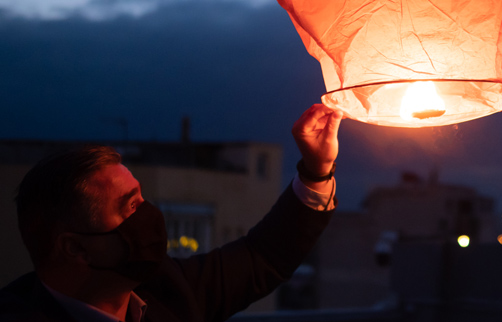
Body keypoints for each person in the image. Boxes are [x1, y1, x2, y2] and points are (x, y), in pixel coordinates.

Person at [0, 103, 342, 322]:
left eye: (141, 197)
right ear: (74, 247)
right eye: (130, 206)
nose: (150, 215)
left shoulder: (168, 289)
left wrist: (316, 170)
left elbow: (263, 256)